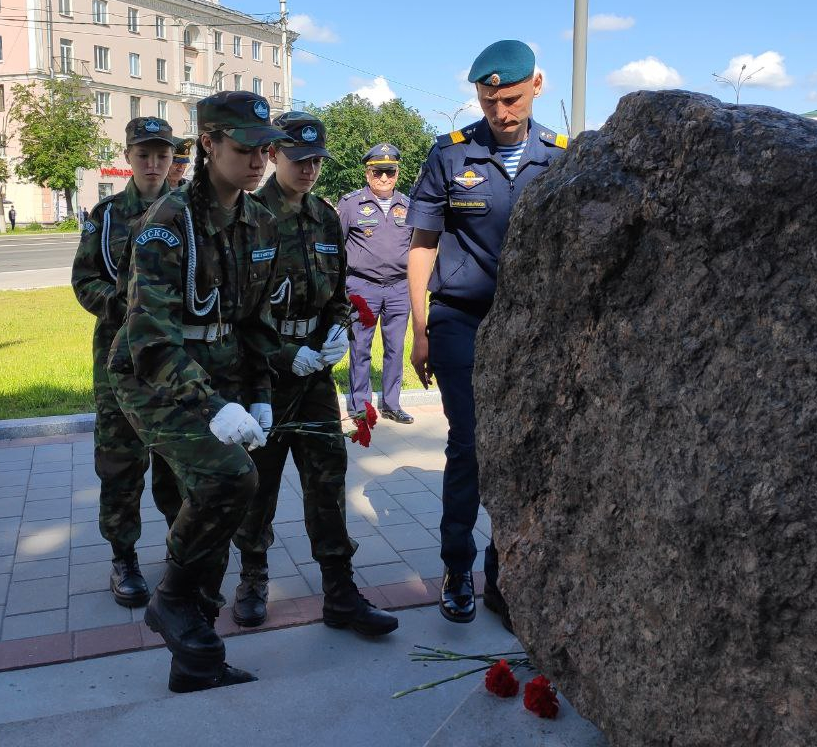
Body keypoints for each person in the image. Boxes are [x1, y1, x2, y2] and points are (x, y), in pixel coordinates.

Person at [107, 91, 287, 693]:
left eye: (265, 149)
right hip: (153, 377)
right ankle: (175, 599)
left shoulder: (259, 221)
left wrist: (258, 393)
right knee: (229, 478)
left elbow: (257, 323)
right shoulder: (167, 224)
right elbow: (150, 339)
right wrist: (215, 407)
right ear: (207, 145)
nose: (258, 160)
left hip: (222, 376)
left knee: (221, 495)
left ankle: (197, 652)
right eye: (243, 148)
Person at [406, 39, 568, 631]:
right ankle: (457, 568)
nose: (501, 111)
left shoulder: (562, 157)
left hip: (532, 327)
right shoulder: (450, 155)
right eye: (489, 98)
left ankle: (505, 570)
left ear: (538, 85)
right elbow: (422, 245)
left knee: (522, 447)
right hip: (459, 320)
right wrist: (420, 329)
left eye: (512, 98)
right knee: (471, 442)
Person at [231, 113, 399, 636]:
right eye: (299, 160)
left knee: (327, 479)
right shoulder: (247, 216)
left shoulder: (326, 218)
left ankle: (339, 591)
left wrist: (333, 331)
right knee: (260, 484)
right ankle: (253, 576)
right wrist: (284, 357)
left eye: (317, 161)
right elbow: (235, 313)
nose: (309, 169)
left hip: (314, 379)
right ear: (276, 155)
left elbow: (335, 289)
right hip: (263, 375)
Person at [72, 117, 184, 607]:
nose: (154, 164)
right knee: (120, 463)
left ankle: (180, 554)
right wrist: (132, 308)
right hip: (118, 362)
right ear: (128, 156)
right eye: (144, 154)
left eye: (163, 155)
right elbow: (84, 282)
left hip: (173, 362)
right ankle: (124, 558)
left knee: (176, 461)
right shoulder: (108, 215)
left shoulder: (187, 212)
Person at [337, 144, 414, 424]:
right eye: (377, 172)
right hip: (363, 286)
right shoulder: (351, 204)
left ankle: (391, 403)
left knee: (395, 347)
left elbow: (417, 247)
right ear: (367, 173)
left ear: (397, 173)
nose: (384, 178)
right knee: (360, 347)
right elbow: (337, 247)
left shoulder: (408, 205)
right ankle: (360, 406)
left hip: (398, 288)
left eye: (389, 171)